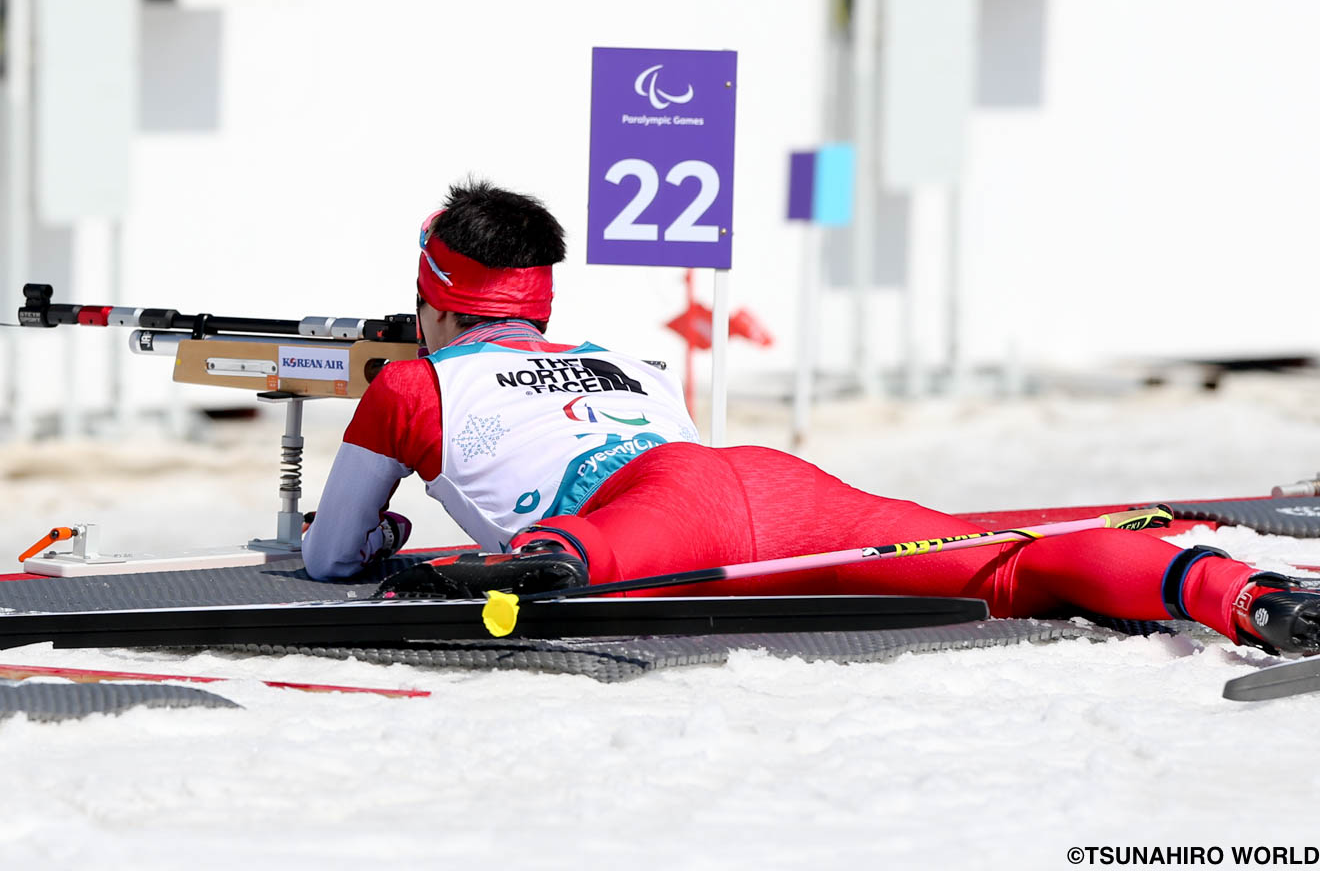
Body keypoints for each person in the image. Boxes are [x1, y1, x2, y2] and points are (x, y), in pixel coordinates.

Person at [303, 179, 1320, 655]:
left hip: (662, 515)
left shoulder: (412, 386)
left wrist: (386, 539)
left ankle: (546, 562)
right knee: (1009, 566)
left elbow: (331, 557)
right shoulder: (632, 362)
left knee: (581, 556)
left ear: (434, 301)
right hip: (772, 489)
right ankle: (1245, 595)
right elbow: (687, 468)